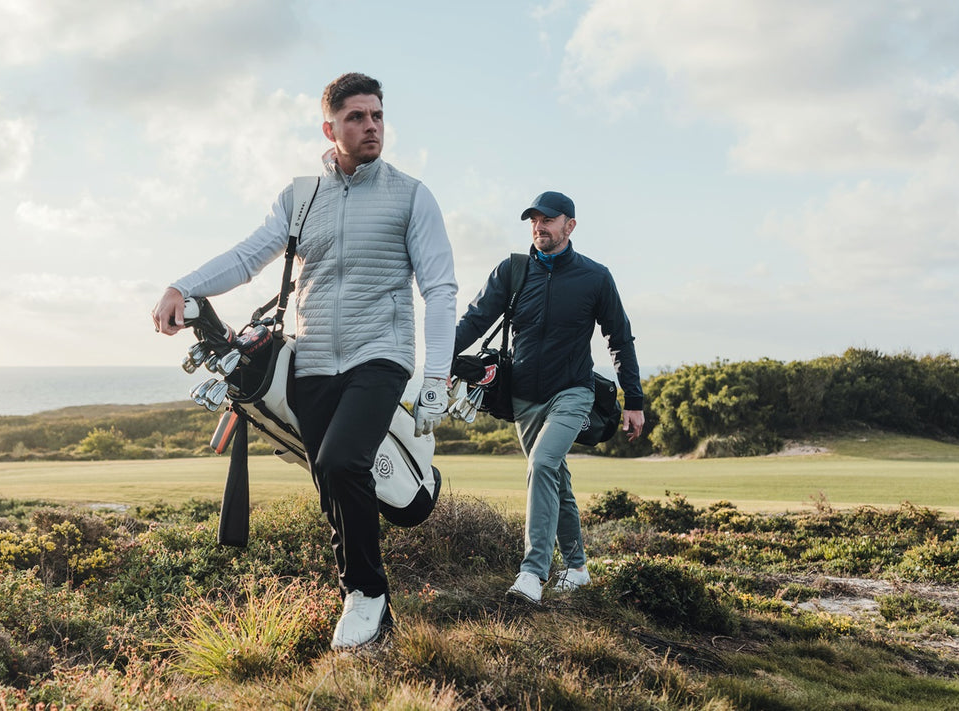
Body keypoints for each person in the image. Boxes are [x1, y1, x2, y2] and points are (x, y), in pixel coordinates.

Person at [151, 73, 457, 648]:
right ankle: (370, 611)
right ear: (329, 128)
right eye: (356, 117)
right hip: (312, 363)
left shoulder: (411, 195)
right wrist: (181, 286)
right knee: (329, 482)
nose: (371, 126)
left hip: (381, 355)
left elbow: (439, 289)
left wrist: (436, 375)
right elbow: (248, 258)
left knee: (341, 462)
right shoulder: (300, 197)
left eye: (377, 116)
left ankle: (365, 593)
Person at [453, 190, 644, 604]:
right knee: (555, 478)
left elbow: (619, 338)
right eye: (534, 221)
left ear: (569, 226)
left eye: (548, 220)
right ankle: (577, 569)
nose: (539, 227)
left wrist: (634, 400)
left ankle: (532, 574)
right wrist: (437, 359)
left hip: (573, 391)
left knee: (541, 464)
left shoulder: (595, 277)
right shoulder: (513, 270)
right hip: (523, 398)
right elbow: (476, 319)